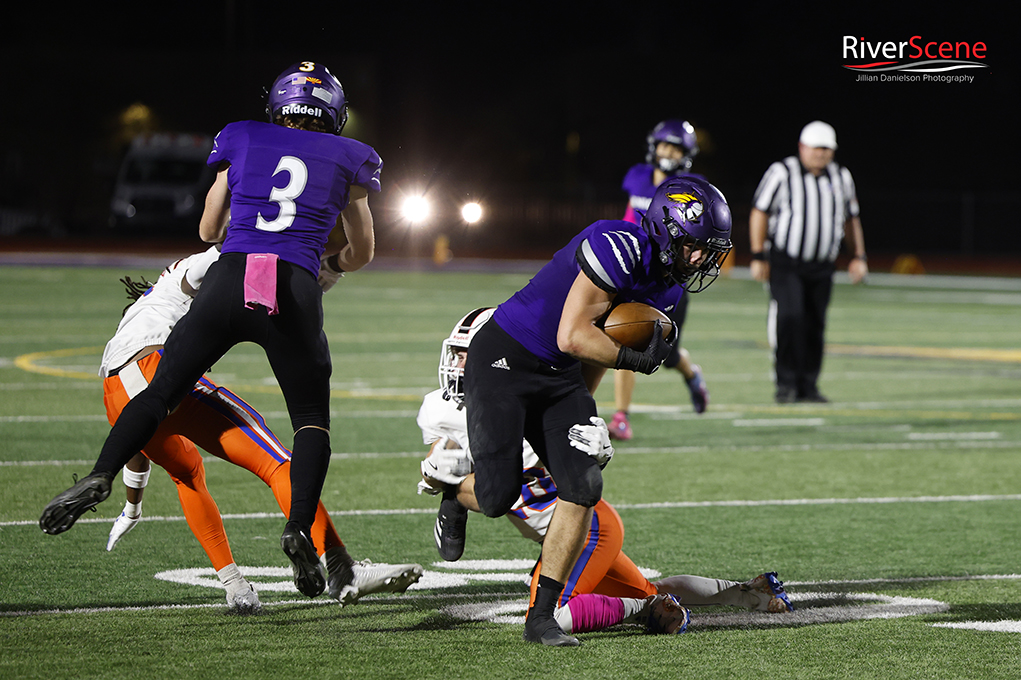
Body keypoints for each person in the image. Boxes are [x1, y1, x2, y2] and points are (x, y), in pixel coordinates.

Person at [40, 60, 380, 600]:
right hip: (291, 282)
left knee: (161, 393)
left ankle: (101, 473)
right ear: (333, 113)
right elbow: (362, 250)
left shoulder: (240, 136)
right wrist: (332, 263)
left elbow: (207, 228)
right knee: (311, 422)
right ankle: (298, 530)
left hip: (231, 274)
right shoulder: (353, 156)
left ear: (278, 104)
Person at [461, 175, 733, 646]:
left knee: (583, 484)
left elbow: (589, 352)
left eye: (709, 250)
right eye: (694, 246)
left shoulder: (669, 289)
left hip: (560, 376)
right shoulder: (616, 244)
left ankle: (542, 616)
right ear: (668, 228)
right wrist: (634, 360)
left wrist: (584, 410)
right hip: (506, 359)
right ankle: (450, 490)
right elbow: (573, 335)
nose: (701, 259)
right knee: (496, 498)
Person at [418, 308, 793, 637]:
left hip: (588, 529)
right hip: (559, 532)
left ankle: (646, 613)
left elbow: (568, 434)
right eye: (460, 355)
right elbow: (473, 480)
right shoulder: (441, 411)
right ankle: (751, 592)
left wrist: (596, 447)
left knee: (552, 615)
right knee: (648, 589)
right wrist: (444, 483)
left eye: (473, 356)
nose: (463, 366)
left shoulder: (536, 407)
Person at [99, 248, 422, 611]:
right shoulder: (181, 275)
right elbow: (233, 251)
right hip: (155, 368)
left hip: (116, 394)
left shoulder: (128, 327)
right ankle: (338, 564)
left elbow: (135, 446)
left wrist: (132, 508)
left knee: (188, 477)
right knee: (276, 463)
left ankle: (235, 586)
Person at [749, 121, 868, 404]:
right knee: (790, 317)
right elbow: (760, 211)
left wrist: (858, 256)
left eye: (826, 149)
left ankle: (808, 385)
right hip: (786, 262)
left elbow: (851, 219)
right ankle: (786, 384)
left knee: (815, 324)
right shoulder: (782, 172)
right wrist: (757, 254)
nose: (821, 154)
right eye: (816, 148)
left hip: (822, 265)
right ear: (803, 148)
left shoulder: (841, 177)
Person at [612, 120, 711, 441]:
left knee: (667, 356)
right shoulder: (638, 176)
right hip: (636, 273)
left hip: (670, 279)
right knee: (626, 334)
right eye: (665, 145)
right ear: (654, 146)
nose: (669, 152)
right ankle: (621, 416)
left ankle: (692, 375)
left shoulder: (691, 186)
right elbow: (630, 215)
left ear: (686, 154)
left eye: (676, 147)